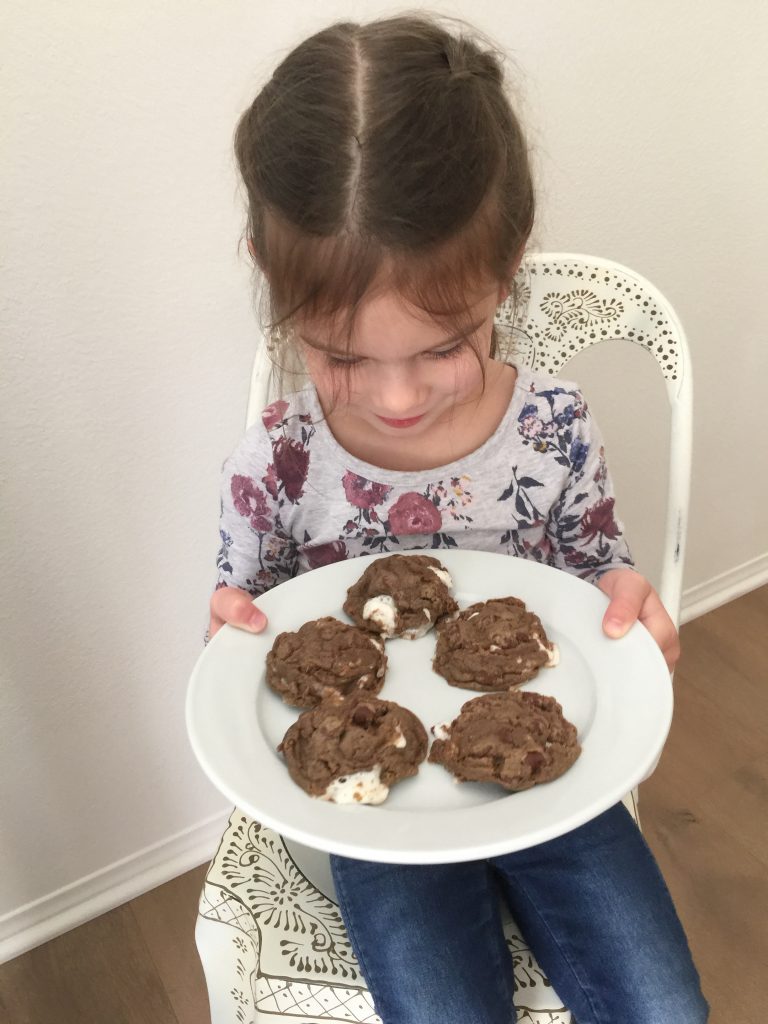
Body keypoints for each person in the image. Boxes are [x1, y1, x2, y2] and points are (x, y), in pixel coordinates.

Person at [208, 15, 708, 1024]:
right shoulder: (280, 461)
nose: (394, 398)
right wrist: (225, 625)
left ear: (507, 264)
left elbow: (592, 571)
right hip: (374, 806)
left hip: (558, 787)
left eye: (440, 345)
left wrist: (622, 597)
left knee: (665, 1007)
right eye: (342, 357)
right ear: (271, 274)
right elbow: (245, 626)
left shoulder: (555, 432)